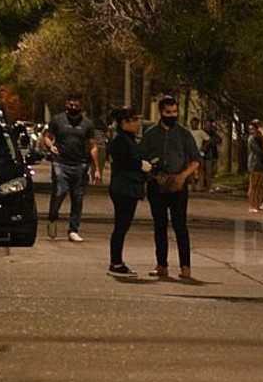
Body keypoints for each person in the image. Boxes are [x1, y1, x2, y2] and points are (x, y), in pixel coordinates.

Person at [139, 95, 202, 280]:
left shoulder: (184, 134)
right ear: (161, 112)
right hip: (156, 186)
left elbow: (196, 160)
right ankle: (161, 265)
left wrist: (182, 177)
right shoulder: (150, 134)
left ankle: (185, 267)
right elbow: (142, 159)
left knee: (180, 226)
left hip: (178, 186)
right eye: (168, 112)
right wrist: (153, 174)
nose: (172, 115)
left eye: (174, 112)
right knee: (160, 225)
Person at [42, 93, 101, 242]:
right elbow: (47, 137)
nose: (73, 108)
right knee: (60, 191)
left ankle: (73, 229)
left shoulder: (87, 124)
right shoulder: (57, 120)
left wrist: (97, 169)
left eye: (76, 105)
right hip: (60, 162)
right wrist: (51, 146)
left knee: (78, 196)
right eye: (71, 105)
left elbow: (92, 145)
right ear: (66, 104)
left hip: (80, 164)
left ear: (81, 106)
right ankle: (53, 217)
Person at [106, 107, 147, 277]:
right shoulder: (121, 141)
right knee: (121, 225)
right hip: (124, 187)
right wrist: (140, 165)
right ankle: (115, 263)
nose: (138, 124)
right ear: (125, 123)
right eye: (135, 120)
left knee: (123, 225)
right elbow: (124, 162)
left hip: (129, 186)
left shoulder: (128, 139)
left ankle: (117, 261)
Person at [246, 120, 263, 213]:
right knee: (253, 185)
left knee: (259, 186)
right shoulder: (251, 139)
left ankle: (256, 205)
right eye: (250, 129)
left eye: (253, 129)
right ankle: (251, 206)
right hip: (255, 163)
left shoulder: (262, 139)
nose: (251, 131)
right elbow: (258, 151)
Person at [199, 118, 221, 191]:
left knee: (213, 171)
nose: (209, 126)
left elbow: (219, 140)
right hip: (206, 155)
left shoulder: (213, 133)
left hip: (214, 154)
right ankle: (208, 187)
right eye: (207, 124)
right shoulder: (202, 132)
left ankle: (207, 185)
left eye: (210, 124)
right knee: (207, 171)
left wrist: (211, 141)